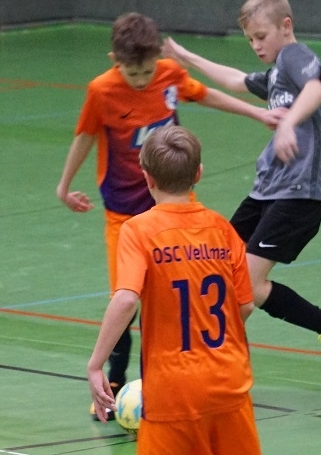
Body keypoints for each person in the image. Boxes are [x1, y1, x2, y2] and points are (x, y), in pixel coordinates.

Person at [58, 12, 279, 419]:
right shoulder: (101, 91)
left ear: (157, 59)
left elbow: (207, 95)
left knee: (172, 300)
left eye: (147, 71)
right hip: (124, 216)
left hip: (173, 209)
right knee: (125, 298)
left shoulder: (170, 75)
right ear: (115, 60)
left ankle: (168, 381)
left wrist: (257, 113)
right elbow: (85, 135)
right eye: (133, 73)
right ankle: (114, 384)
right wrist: (64, 185)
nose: (142, 80)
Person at [163, 0, 321, 384]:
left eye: (260, 36)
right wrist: (187, 57)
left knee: (247, 287)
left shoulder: (294, 56)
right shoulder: (276, 74)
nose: (255, 46)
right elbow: (236, 80)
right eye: (249, 39)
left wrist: (288, 124)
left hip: (299, 195)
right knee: (222, 266)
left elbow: (316, 88)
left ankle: (214, 367)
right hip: (266, 191)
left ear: (286, 26)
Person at [87, 125, 261, 454]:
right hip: (229, 384)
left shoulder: (138, 231)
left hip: (172, 393)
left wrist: (96, 364)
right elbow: (246, 305)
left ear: (147, 178)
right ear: (199, 174)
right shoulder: (223, 229)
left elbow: (126, 299)